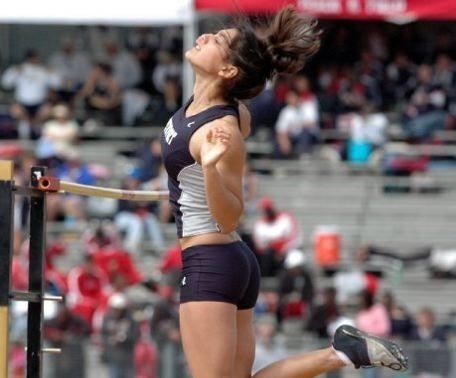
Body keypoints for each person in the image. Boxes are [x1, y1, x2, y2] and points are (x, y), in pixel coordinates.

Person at [159, 6, 408, 378]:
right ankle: (341, 354)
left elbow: (230, 214)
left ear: (227, 71)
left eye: (216, 40)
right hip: (227, 260)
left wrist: (210, 168)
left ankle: (338, 355)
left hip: (209, 261)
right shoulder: (219, 108)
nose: (204, 37)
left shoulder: (220, 129)